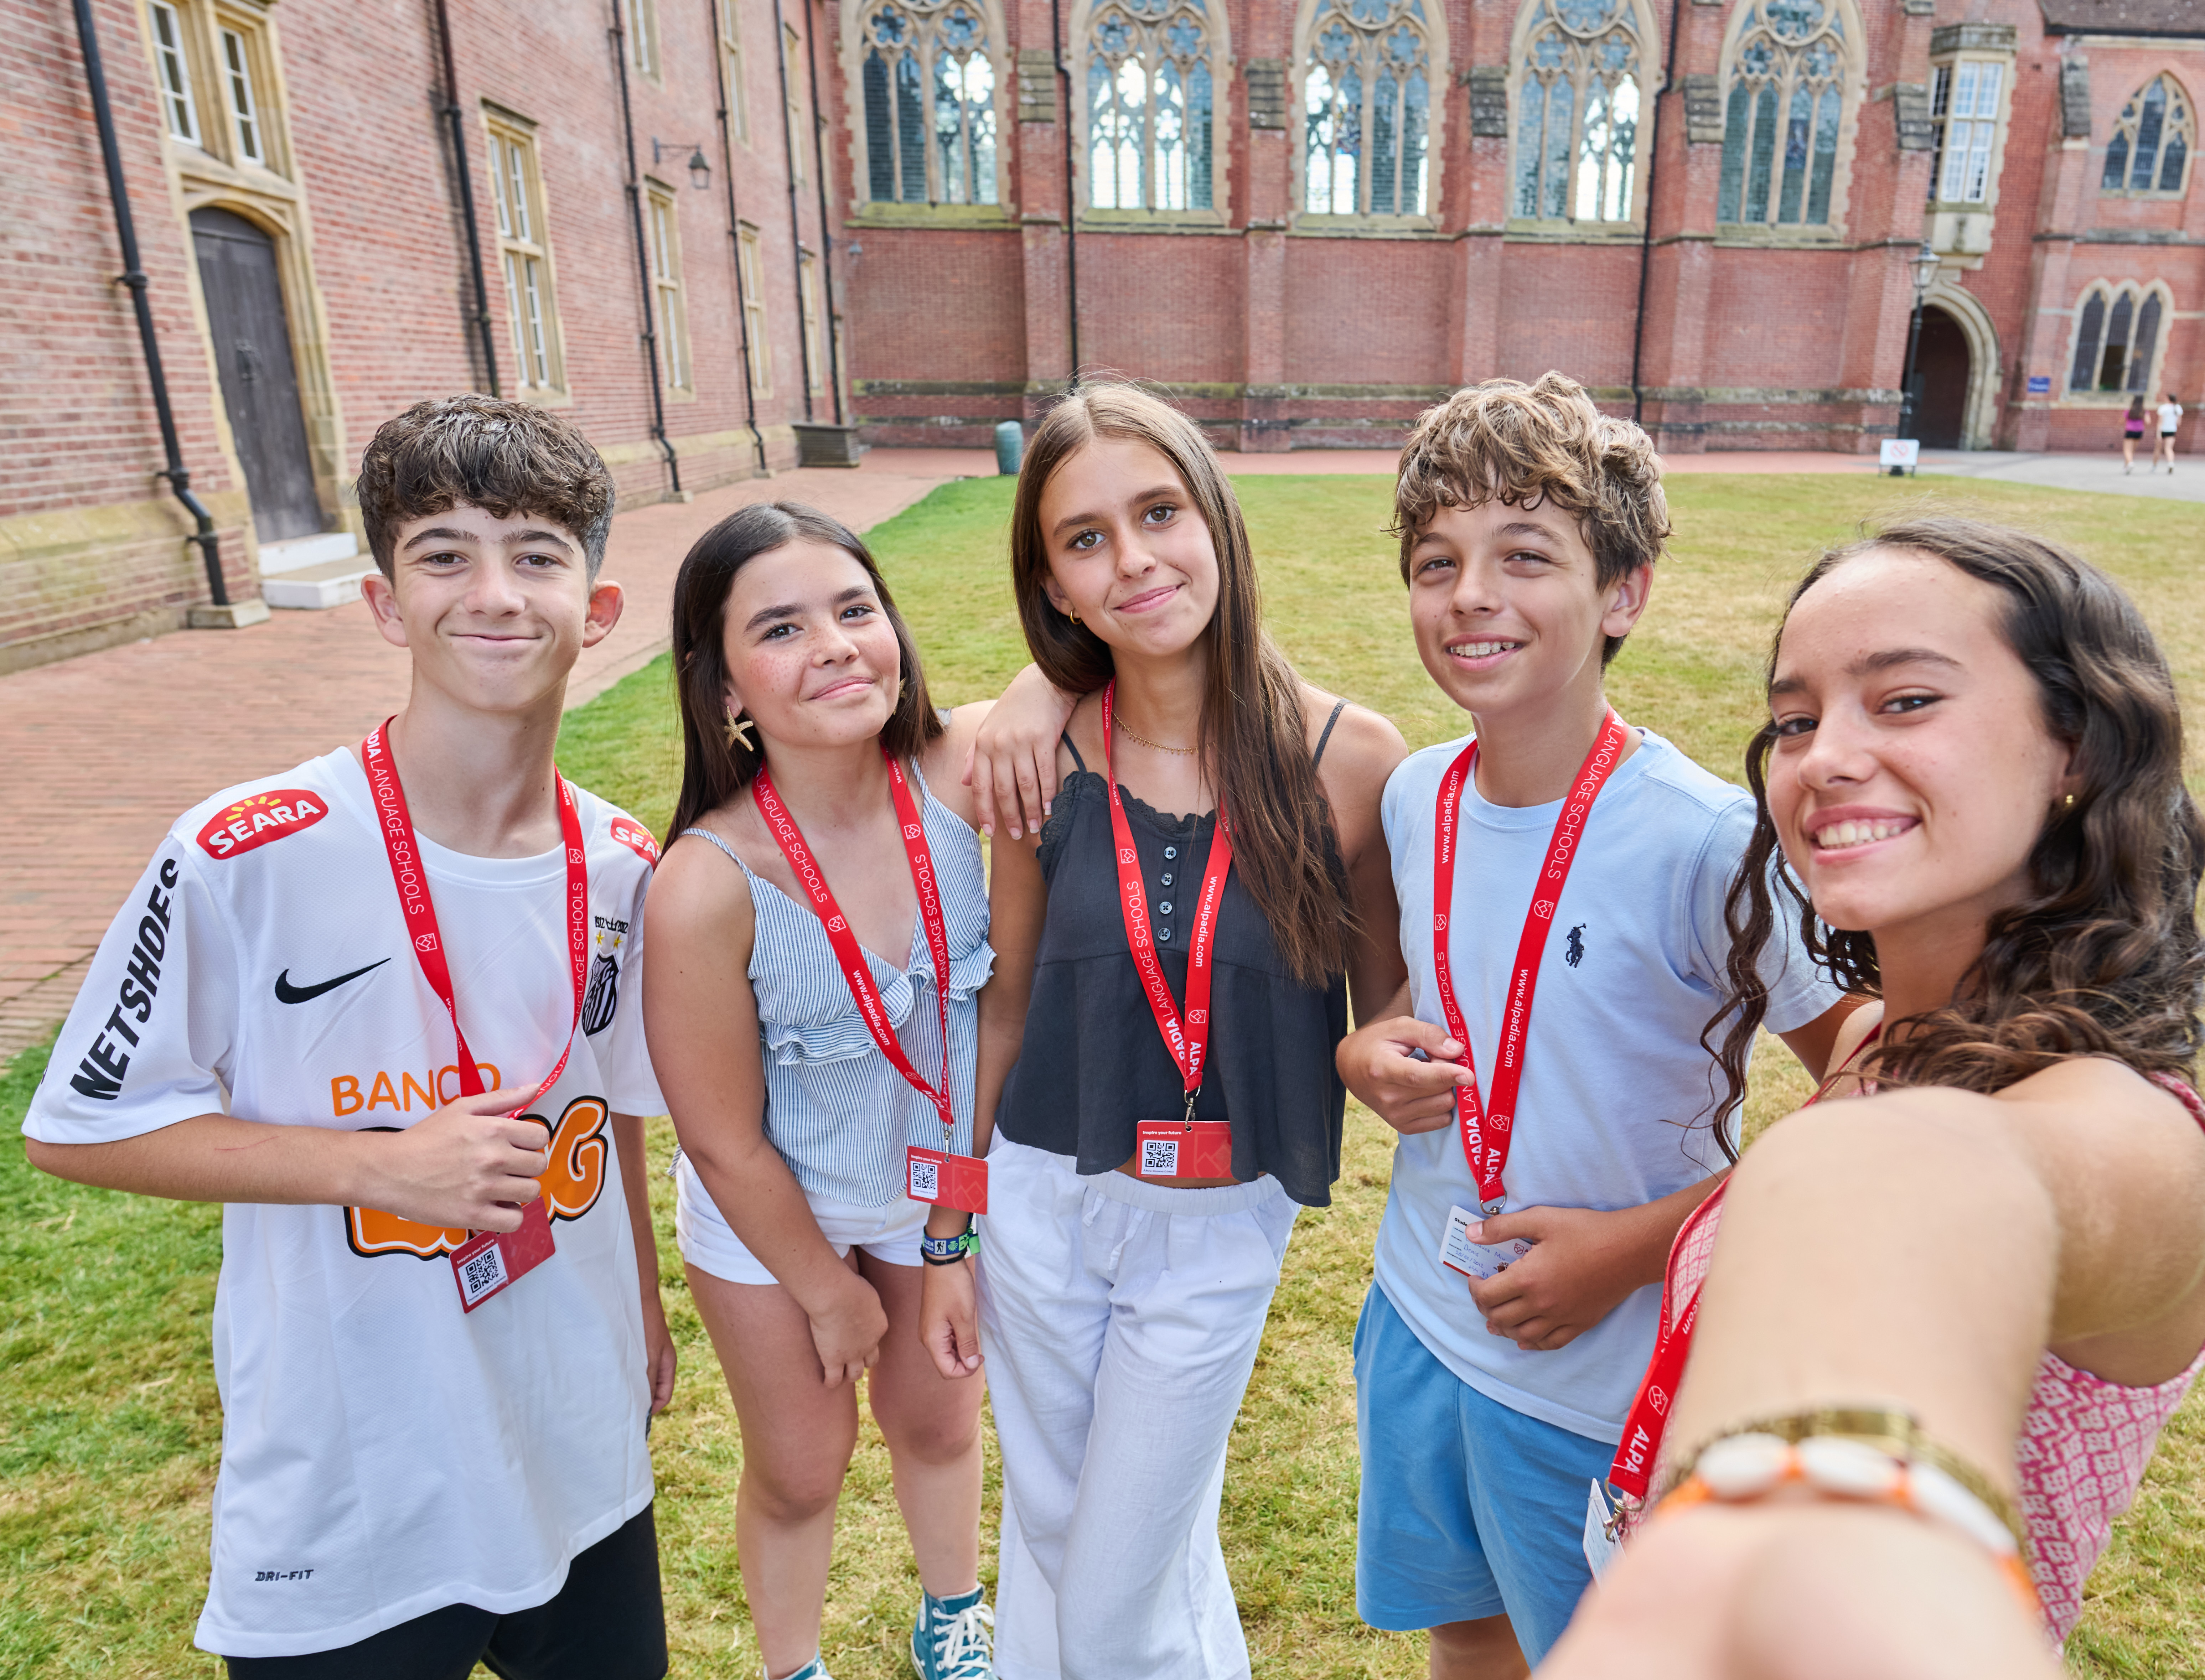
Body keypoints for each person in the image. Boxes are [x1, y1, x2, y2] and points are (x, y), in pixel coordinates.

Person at [22, 396, 677, 1678]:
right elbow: (79, 1127)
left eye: (538, 554)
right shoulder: (242, 851)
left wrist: (643, 1307)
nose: (494, 591)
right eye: (444, 552)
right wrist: (367, 1165)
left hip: (578, 1442)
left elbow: (618, 1105)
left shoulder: (624, 865)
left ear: (594, 609)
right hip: (356, 1474)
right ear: (386, 601)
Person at [1543, 516, 2205, 1677]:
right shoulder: (1874, 1033)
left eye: (1904, 699)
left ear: (2074, 745)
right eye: (1796, 717)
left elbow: (1909, 1184)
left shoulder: (2131, 1135)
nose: (1822, 758)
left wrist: (1810, 1526)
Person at [1330, 373, 1857, 1678]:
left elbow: (1875, 1094)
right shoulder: (1413, 796)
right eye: (1436, 560)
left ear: (1622, 592)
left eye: (1526, 555)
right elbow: (1407, 1005)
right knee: (1467, 1630)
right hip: (1420, 1312)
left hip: (1598, 1373)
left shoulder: (1705, 840)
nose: (1470, 595)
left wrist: (1629, 1249)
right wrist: (1367, 1049)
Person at [968, 383, 1409, 1680]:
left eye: (1159, 512)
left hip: (1218, 1220)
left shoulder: (1350, 759)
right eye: (1086, 539)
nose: (1137, 560)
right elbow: (1004, 997)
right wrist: (956, 1221)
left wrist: (1381, 1054)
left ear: (1215, 517)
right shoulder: (1033, 757)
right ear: (1053, 585)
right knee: (1066, 1534)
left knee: (1110, 1603)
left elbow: (1385, 1002)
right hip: (1041, 1197)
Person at [641, 503, 1000, 1680]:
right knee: (803, 1463)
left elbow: (1089, 689)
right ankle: (791, 1664)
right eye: (782, 627)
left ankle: (952, 1614)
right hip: (772, 1215)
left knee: (939, 1421)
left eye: (855, 608)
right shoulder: (706, 883)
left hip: (922, 1190)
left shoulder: (964, 773)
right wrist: (825, 1294)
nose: (838, 644)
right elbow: (723, 1141)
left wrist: (945, 1235)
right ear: (728, 688)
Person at [2153, 392, 2182, 473]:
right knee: (2169, 449)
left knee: (2158, 449)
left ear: (2168, 399)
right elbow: (2179, 423)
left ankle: (2154, 466)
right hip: (2172, 431)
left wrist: (2159, 433)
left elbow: (2160, 422)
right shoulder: (2178, 408)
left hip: (2162, 430)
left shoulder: (2163, 408)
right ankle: (2171, 463)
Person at [2121, 397, 2146, 473]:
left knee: (2127, 450)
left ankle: (2130, 463)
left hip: (2130, 431)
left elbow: (2122, 420)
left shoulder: (2129, 410)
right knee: (2133, 450)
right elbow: (2148, 421)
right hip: (2139, 431)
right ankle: (2126, 466)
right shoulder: (2144, 411)